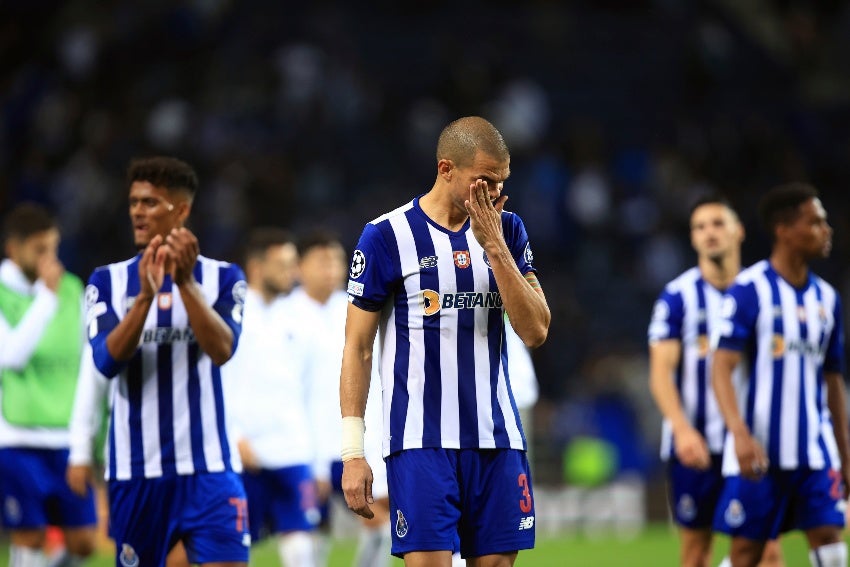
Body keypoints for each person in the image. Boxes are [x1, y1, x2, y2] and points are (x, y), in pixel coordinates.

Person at [339, 116, 551, 567]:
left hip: (496, 437)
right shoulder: (385, 236)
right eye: (485, 181)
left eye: (501, 182)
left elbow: (535, 330)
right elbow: (357, 348)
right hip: (419, 441)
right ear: (446, 169)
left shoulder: (508, 230)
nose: (494, 192)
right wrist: (353, 452)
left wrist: (494, 249)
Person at [85, 156, 249, 567]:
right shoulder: (107, 281)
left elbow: (223, 350)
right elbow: (105, 361)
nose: (138, 211)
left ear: (182, 210)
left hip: (210, 470)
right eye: (134, 202)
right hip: (137, 472)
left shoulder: (224, 278)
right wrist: (144, 298)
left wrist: (186, 284)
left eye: (151, 202)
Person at [711, 183, 850, 567]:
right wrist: (738, 434)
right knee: (746, 554)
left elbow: (833, 379)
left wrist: (845, 453)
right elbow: (721, 368)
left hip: (814, 451)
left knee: (830, 541)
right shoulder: (749, 290)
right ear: (784, 230)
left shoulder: (828, 299)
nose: (827, 230)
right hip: (760, 450)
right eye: (816, 222)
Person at [648, 194, 783, 567]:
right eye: (700, 227)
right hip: (696, 445)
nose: (709, 233)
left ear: (738, 231)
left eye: (718, 224)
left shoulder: (764, 293)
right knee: (696, 552)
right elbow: (660, 372)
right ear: (692, 239)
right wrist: (681, 429)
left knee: (768, 551)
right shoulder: (677, 297)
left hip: (750, 443)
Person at [0, 203, 97, 567]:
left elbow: (89, 358)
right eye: (39, 249)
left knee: (85, 541)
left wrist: (86, 437)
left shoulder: (73, 290)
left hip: (65, 437)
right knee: (30, 535)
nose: (49, 259)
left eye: (53, 248)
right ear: (14, 249)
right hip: (15, 438)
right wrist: (45, 299)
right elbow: (10, 355)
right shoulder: (9, 293)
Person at [222, 227, 321, 566]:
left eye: (293, 264)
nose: (292, 273)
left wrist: (315, 453)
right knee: (234, 547)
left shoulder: (299, 317)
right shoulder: (230, 315)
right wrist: (233, 435)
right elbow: (216, 383)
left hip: (292, 449)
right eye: (283, 264)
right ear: (257, 267)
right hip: (244, 450)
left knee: (301, 547)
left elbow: (309, 388)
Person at [283, 229, 355, 564]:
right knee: (308, 536)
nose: (332, 269)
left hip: (353, 442)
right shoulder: (286, 315)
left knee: (386, 524)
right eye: (322, 261)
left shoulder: (357, 309)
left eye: (337, 261)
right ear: (300, 267)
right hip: (305, 444)